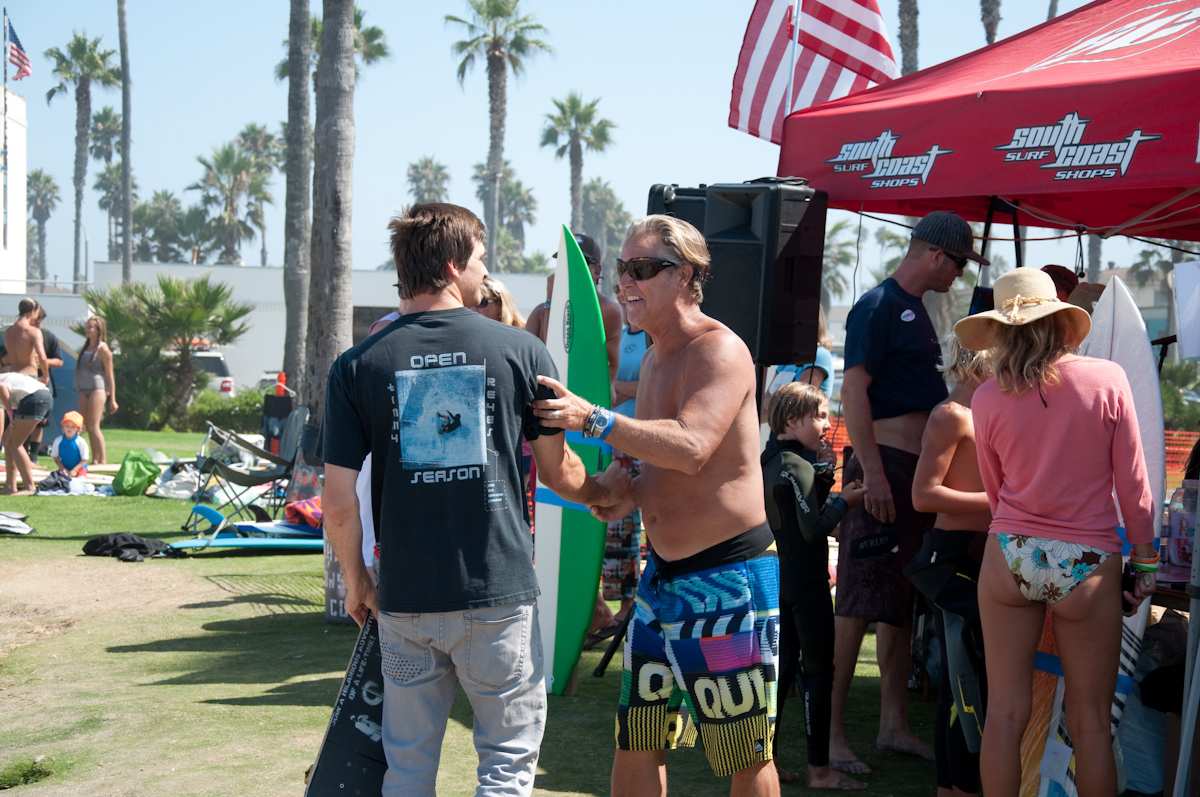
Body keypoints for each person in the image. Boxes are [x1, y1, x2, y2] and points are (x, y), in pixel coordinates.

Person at [320, 202, 627, 797]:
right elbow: (559, 472)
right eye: (481, 259)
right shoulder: (520, 351)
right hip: (497, 595)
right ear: (453, 264)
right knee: (508, 764)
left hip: (405, 600)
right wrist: (603, 494)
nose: (486, 274)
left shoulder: (356, 366)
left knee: (407, 766)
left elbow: (336, 503)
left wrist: (357, 581)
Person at [534, 214, 781, 796]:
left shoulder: (718, 349)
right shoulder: (652, 358)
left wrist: (592, 417)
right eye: (623, 269)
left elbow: (693, 446)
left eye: (644, 269)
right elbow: (648, 463)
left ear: (688, 275)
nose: (626, 283)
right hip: (663, 578)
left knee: (742, 752)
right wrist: (604, 488)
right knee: (638, 738)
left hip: (728, 577)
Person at [955, 267, 1157, 797]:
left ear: (1001, 331)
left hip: (1009, 554)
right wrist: (1146, 561)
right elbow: (1134, 486)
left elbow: (997, 494)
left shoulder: (987, 399)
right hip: (1088, 558)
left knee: (1003, 713)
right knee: (1090, 723)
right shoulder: (1107, 378)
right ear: (1061, 322)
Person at [830, 210, 985, 775]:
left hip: (906, 474)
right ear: (938, 256)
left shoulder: (916, 309)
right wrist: (870, 473)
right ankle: (831, 736)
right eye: (960, 263)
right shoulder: (876, 305)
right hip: (884, 470)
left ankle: (892, 725)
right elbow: (853, 390)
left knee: (896, 603)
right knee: (855, 606)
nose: (960, 275)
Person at [761, 382, 866, 790]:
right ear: (791, 420)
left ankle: (764, 762)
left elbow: (790, 513)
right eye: (819, 415)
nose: (826, 423)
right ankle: (819, 769)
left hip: (779, 579)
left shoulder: (771, 457)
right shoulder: (793, 463)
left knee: (781, 673)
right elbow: (814, 528)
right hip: (806, 584)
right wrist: (846, 501)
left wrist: (822, 477)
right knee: (819, 671)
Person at [909, 340, 993, 797]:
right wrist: (1002, 503)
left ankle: (963, 782)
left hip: (981, 553)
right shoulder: (951, 415)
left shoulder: (988, 412)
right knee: (963, 681)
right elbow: (924, 496)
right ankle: (953, 785)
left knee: (977, 677)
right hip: (951, 558)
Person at [595, 294, 650, 634]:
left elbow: (648, 388)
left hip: (639, 444)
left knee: (630, 533)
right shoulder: (622, 336)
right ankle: (613, 607)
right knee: (613, 531)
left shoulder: (650, 339)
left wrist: (617, 387)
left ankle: (630, 605)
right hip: (609, 443)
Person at [762, 306, 837, 421]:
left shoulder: (819, 355)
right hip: (779, 434)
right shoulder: (785, 361)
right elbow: (766, 405)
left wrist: (775, 401)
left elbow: (797, 404)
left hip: (802, 436)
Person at [0, 370, 53, 494]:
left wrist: (11, 415)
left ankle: (30, 487)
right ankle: (10, 486)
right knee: (9, 442)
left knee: (14, 444)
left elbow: (2, 388)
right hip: (41, 397)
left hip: (35, 399)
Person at [75, 316, 118, 464]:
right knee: (85, 426)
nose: (88, 329)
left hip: (97, 388)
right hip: (83, 389)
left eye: (91, 327)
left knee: (94, 426)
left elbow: (110, 375)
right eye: (87, 326)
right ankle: (94, 459)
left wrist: (112, 399)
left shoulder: (103, 349)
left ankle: (102, 460)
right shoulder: (85, 347)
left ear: (99, 330)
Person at [26, 306, 64, 459]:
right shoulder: (20, 335)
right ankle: (20, 454)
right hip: (24, 381)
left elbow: (59, 361)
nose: (36, 323)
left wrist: (43, 361)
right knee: (22, 419)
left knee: (40, 422)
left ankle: (33, 457)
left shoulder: (48, 337)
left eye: (39, 320)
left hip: (42, 382)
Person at [4, 298, 50, 381]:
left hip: (12, 377)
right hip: (28, 377)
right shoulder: (34, 332)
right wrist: (46, 376)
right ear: (33, 311)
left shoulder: (8, 332)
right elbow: (42, 357)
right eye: (37, 311)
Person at [50, 410, 90, 478]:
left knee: (79, 482)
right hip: (65, 468)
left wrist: (75, 470)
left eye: (73, 427)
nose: (69, 429)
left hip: (80, 469)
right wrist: (62, 468)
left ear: (78, 429)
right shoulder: (58, 441)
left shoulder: (81, 442)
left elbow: (84, 460)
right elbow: (55, 457)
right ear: (63, 427)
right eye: (67, 426)